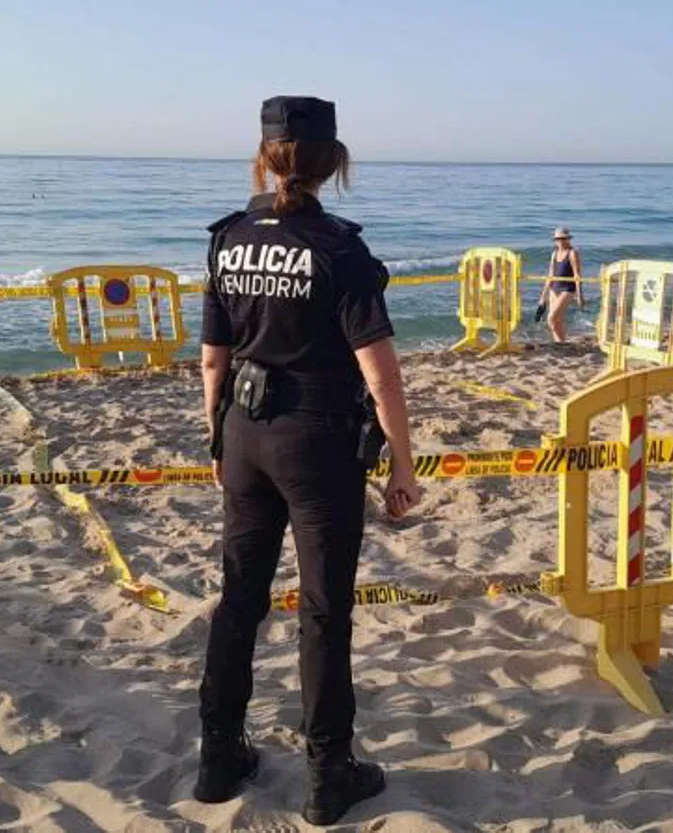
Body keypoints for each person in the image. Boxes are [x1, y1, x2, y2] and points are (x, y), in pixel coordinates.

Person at [195, 95, 421, 824]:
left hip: (244, 432)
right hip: (316, 439)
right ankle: (329, 774)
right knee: (324, 612)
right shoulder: (339, 249)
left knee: (240, 599)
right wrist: (403, 464)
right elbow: (381, 373)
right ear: (333, 163)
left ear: (264, 157)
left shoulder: (229, 239)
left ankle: (218, 758)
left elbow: (211, 360)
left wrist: (218, 436)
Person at [538, 226, 584, 342]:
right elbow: (550, 275)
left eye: (563, 239)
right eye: (558, 239)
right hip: (555, 288)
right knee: (556, 321)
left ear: (568, 239)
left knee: (551, 318)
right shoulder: (554, 253)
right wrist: (543, 296)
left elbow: (577, 275)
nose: (561, 241)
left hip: (567, 289)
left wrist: (579, 295)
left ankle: (561, 343)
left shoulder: (572, 253)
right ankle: (560, 343)